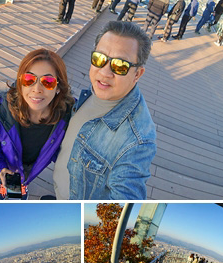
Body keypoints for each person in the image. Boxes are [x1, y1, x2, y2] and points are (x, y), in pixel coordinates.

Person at [53, 20, 157, 199]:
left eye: (120, 66)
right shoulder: (100, 89)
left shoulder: (136, 140)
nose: (105, 72)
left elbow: (125, 198)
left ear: (137, 74)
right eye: (99, 59)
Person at [0, 48, 73, 199]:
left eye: (47, 82)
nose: (36, 89)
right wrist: (0, 168)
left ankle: (23, 184)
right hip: (8, 162)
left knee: (25, 177)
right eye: (29, 79)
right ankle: (10, 186)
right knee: (10, 178)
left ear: (58, 87)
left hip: (36, 164)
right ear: (20, 82)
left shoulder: (66, 119)